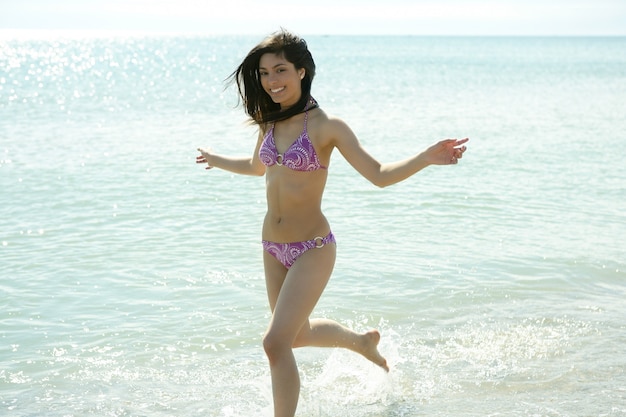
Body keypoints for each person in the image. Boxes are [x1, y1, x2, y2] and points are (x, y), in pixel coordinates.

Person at [196, 29, 468, 417]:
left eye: (280, 70)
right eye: (264, 73)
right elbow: (258, 167)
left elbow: (378, 173)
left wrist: (425, 157)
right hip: (272, 247)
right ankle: (359, 342)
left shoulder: (327, 126)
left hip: (313, 248)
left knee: (275, 343)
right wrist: (216, 159)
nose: (272, 80)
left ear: (302, 71)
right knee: (297, 336)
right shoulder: (268, 122)